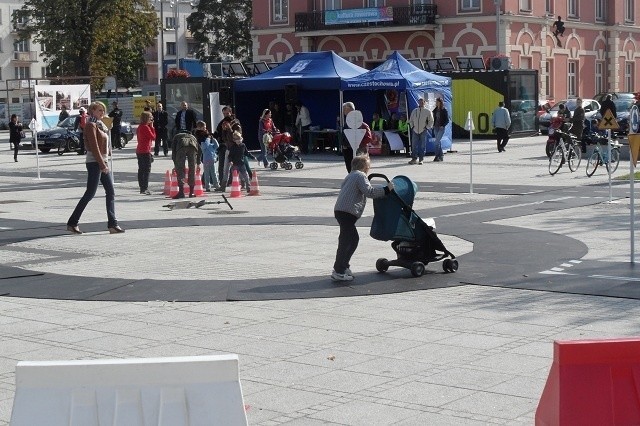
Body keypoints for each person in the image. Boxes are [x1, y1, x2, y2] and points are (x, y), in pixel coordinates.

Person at [331, 155, 394, 282]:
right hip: (347, 212)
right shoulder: (360, 175)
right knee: (347, 241)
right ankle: (339, 270)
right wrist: (387, 190)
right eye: (368, 165)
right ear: (364, 166)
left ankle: (344, 266)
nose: (369, 168)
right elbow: (369, 192)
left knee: (352, 239)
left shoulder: (350, 175)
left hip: (341, 210)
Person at [67, 101, 124, 235]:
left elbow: (103, 143)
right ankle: (72, 222)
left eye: (103, 110)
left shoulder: (100, 125)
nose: (102, 113)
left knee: (110, 191)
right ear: (92, 111)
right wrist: (102, 164)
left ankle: (112, 224)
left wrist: (108, 151)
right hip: (94, 162)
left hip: (102, 161)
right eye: (99, 110)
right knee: (90, 193)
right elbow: (94, 147)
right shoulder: (90, 125)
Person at [341, 102, 372, 173]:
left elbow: (368, 138)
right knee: (350, 169)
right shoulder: (346, 125)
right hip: (348, 150)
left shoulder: (362, 125)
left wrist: (357, 144)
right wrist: (344, 145)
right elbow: (344, 136)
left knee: (360, 169)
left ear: (349, 109)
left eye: (344, 110)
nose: (343, 112)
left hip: (359, 150)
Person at [171, 130, 201, 199]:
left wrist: (176, 165)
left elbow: (174, 152)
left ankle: (181, 192)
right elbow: (200, 150)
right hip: (192, 147)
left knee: (180, 169)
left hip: (181, 146)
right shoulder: (193, 137)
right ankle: (191, 192)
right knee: (192, 169)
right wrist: (198, 163)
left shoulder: (176, 136)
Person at [408, 97, 434, 164]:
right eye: (420, 102)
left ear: (424, 103)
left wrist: (427, 127)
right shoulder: (414, 111)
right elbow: (410, 120)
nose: (421, 103)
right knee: (414, 145)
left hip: (423, 130)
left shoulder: (428, 111)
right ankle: (414, 159)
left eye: (422, 102)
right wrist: (412, 127)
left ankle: (421, 159)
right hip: (415, 130)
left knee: (422, 145)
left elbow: (431, 121)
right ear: (418, 103)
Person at [195, 121, 220, 192]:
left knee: (214, 172)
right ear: (199, 127)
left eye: (205, 127)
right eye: (203, 127)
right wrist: (208, 138)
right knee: (207, 173)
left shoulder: (208, 139)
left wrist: (213, 139)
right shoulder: (200, 137)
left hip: (212, 157)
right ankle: (207, 186)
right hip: (206, 158)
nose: (205, 128)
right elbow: (204, 146)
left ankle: (216, 185)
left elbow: (217, 146)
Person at [136, 111, 155, 195]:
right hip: (145, 150)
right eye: (150, 117)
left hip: (140, 150)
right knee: (146, 170)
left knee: (141, 169)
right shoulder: (145, 127)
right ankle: (145, 187)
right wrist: (152, 127)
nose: (151, 119)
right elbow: (153, 137)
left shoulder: (140, 127)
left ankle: (141, 187)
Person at [214, 106, 234, 185]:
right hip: (223, 146)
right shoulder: (221, 123)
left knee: (234, 165)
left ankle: (232, 180)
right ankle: (222, 181)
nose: (226, 115)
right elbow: (217, 133)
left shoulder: (234, 122)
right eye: (224, 114)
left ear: (231, 112)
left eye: (227, 113)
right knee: (222, 165)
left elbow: (237, 134)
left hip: (232, 146)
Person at [431, 97, 449, 162]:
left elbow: (447, 120)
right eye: (436, 102)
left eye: (437, 102)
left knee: (436, 142)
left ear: (440, 102)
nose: (436, 103)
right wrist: (432, 125)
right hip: (435, 127)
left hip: (441, 128)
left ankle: (437, 156)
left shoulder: (444, 110)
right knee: (438, 142)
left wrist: (443, 125)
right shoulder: (435, 110)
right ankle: (441, 156)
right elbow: (434, 118)